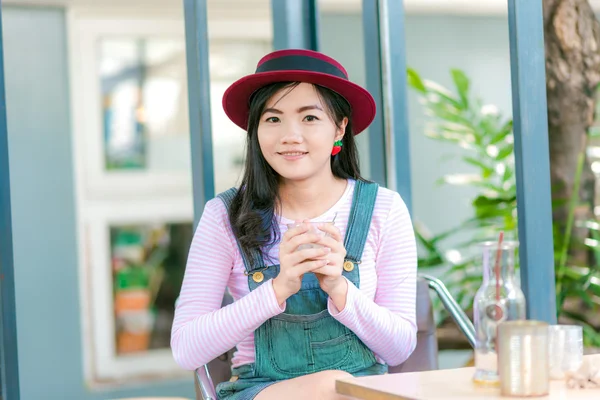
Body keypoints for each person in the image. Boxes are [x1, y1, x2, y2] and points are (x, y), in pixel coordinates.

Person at [171, 49, 417, 400]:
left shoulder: (384, 209)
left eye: (310, 118)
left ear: (340, 128)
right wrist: (278, 289)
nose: (290, 135)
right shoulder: (223, 215)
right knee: (328, 388)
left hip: (361, 391)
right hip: (261, 392)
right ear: (255, 130)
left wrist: (338, 286)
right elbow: (186, 349)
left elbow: (399, 349)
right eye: (272, 119)